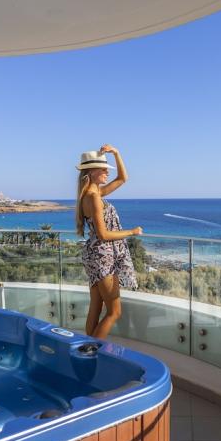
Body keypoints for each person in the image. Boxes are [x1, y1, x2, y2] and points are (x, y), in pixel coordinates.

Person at [76, 144, 142, 339]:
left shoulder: (93, 194)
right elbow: (103, 235)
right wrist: (131, 232)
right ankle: (93, 351)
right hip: (103, 257)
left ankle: (87, 350)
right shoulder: (94, 197)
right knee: (114, 312)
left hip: (95, 256)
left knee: (95, 308)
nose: (107, 172)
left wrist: (116, 153)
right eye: (103, 169)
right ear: (92, 172)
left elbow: (122, 178)